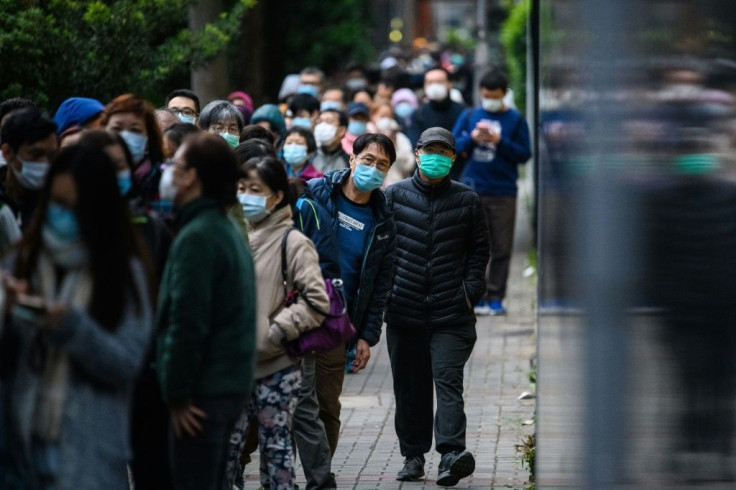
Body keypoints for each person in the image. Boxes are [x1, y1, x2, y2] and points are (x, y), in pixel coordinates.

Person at [0, 143, 154, 489]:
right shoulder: (21, 260)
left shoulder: (124, 273)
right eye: (56, 203)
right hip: (17, 451)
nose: (62, 215)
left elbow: (126, 365)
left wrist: (72, 328)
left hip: (86, 457)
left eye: (74, 207)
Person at [384, 127, 490, 486]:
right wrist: (390, 292)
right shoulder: (394, 197)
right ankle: (413, 457)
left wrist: (469, 291)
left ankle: (450, 455)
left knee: (447, 381)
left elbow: (479, 251)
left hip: (451, 313)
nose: (436, 157)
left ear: (453, 158)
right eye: (430, 151)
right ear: (416, 154)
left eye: (443, 152)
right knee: (410, 387)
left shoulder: (467, 200)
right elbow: (381, 251)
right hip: (405, 311)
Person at [155, 133, 257, 490]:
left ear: (193, 176)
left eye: (176, 165)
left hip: (201, 396)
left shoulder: (198, 235)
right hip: (224, 388)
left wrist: (177, 394)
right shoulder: (223, 226)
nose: (169, 173)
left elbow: (186, 322)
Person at [76, 130, 173, 489]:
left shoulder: (148, 228)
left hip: (147, 385)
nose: (113, 174)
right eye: (104, 165)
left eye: (120, 166)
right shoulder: (57, 231)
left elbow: (167, 309)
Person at [226, 155, 329, 489]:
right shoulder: (232, 236)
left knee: (276, 450)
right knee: (227, 450)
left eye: (255, 189)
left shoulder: (293, 241)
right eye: (241, 188)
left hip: (277, 365)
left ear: (277, 195)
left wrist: (275, 333)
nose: (246, 196)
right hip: (234, 365)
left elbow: (316, 301)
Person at [306, 133, 397, 455]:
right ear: (352, 159)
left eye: (382, 165)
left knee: (327, 406)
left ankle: (320, 477)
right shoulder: (316, 193)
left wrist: (365, 337)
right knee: (276, 405)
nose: (373, 168)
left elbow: (379, 285)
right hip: (297, 314)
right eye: (368, 160)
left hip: (336, 324)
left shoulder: (384, 220)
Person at [452, 70, 531, 315]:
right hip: (472, 189)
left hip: (503, 191)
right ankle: (475, 296)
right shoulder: (469, 115)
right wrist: (472, 138)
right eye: (485, 95)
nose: (489, 100)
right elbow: (452, 145)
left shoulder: (516, 120)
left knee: (501, 247)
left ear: (504, 94)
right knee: (472, 247)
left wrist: (500, 141)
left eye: (494, 96)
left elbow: (524, 154)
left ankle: (496, 297)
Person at [0, 108, 58, 248]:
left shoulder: (60, 203)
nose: (45, 164)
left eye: (52, 156)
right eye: (36, 154)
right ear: (8, 153)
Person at [102, 94, 166, 206]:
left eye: (135, 130)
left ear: (148, 139)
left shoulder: (164, 182)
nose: (124, 136)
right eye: (116, 129)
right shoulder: (88, 176)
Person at [408, 68, 466, 146]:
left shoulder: (463, 112)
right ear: (424, 86)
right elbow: (416, 144)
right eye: (429, 82)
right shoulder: (418, 115)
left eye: (439, 82)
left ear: (450, 84)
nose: (434, 86)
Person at [369, 103, 415, 187]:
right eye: (382, 116)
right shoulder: (366, 135)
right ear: (373, 115)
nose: (386, 119)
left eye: (389, 116)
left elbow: (409, 165)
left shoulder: (400, 137)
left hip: (397, 185)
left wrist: (394, 145)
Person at [311, 109, 349, 174]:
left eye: (328, 122)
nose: (322, 126)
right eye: (320, 122)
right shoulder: (309, 157)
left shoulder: (347, 163)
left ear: (342, 130)